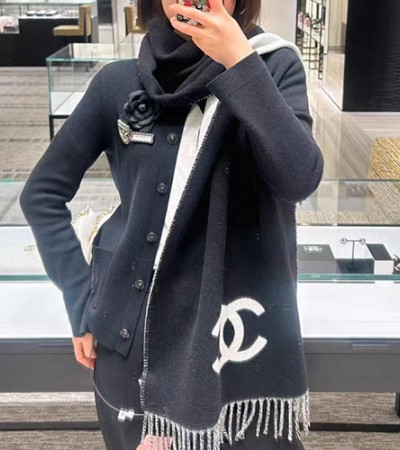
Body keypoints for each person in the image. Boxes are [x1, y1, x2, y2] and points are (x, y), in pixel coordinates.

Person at [19, 1, 324, 449]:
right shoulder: (117, 82)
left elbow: (298, 179)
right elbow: (41, 195)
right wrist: (81, 299)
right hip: (133, 343)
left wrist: (239, 62)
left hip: (239, 340)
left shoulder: (272, 67)